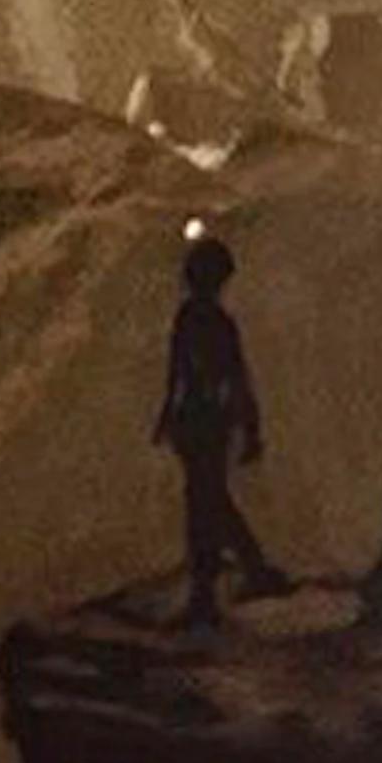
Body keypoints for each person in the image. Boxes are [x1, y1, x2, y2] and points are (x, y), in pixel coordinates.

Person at [159, 225, 291, 624]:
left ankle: (222, 586)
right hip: (209, 421)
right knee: (210, 501)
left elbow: (190, 374)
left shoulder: (196, 318)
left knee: (206, 504)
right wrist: (249, 427)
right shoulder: (213, 320)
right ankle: (246, 573)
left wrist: (169, 414)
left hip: (199, 421)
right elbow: (228, 377)